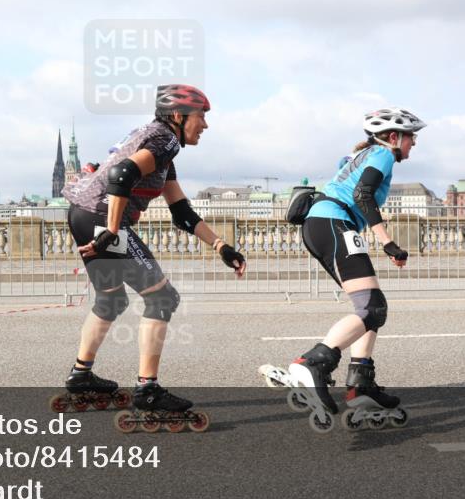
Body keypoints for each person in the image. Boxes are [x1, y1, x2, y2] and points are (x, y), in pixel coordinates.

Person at [58, 84, 247, 424]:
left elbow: (182, 212)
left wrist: (221, 246)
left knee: (111, 301)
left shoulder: (160, 147)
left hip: (82, 214)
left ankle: (81, 375)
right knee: (163, 299)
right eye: (201, 116)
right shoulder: (165, 139)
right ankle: (148, 390)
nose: (205, 125)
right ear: (178, 116)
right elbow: (122, 175)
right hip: (101, 218)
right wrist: (113, 230)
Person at [287, 107, 426, 427]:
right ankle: (313, 363)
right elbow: (364, 195)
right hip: (334, 223)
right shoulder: (383, 155)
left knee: (371, 306)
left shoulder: (361, 155)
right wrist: (388, 242)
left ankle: (360, 381)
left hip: (326, 224)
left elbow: (347, 179)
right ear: (394, 137)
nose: (413, 144)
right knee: (372, 308)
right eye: (410, 137)